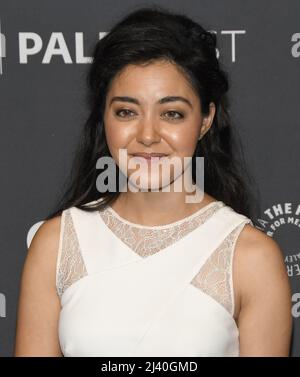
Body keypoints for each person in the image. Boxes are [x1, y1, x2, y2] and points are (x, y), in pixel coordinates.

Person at [14, 6, 292, 357]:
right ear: (104, 116)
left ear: (205, 119)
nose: (147, 135)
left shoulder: (251, 258)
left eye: (171, 113)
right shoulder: (55, 245)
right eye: (127, 112)